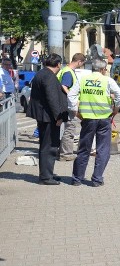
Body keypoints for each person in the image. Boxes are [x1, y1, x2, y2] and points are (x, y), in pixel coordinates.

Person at [68, 58, 120, 187]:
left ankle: (77, 179)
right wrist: (116, 110)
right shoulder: (108, 81)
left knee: (84, 149)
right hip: (104, 119)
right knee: (103, 150)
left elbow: (71, 96)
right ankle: (97, 179)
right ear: (103, 69)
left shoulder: (82, 80)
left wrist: (76, 112)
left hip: (87, 119)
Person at [26, 53, 68, 185]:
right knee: (49, 146)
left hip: (44, 115)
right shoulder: (49, 76)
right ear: (58, 64)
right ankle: (45, 177)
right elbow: (52, 98)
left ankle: (47, 173)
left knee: (46, 145)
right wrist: (58, 116)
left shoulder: (41, 73)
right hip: (48, 117)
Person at [58, 53, 86, 160]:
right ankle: (66, 154)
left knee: (68, 129)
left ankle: (63, 152)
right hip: (69, 104)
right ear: (79, 62)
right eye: (82, 63)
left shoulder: (65, 70)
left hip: (66, 103)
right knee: (70, 129)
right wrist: (72, 98)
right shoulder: (68, 72)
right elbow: (64, 86)